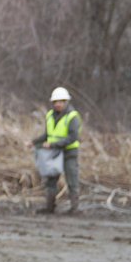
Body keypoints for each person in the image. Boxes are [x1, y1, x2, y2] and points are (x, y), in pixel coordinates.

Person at [27, 87, 81, 215]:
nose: (58, 104)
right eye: (56, 101)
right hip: (53, 153)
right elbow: (47, 135)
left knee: (72, 179)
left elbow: (73, 137)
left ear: (66, 102)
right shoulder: (50, 115)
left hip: (69, 152)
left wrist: (54, 144)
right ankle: (50, 207)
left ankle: (75, 208)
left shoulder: (73, 117)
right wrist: (34, 142)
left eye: (61, 101)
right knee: (50, 180)